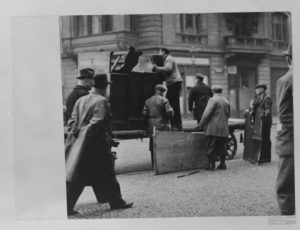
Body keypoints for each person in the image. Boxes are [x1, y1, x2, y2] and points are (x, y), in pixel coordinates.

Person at [65, 74, 133, 215]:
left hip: (81, 146)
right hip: (96, 146)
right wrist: (86, 135)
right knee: (107, 173)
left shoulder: (81, 100)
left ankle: (67, 206)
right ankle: (116, 202)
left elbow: (72, 121)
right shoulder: (101, 101)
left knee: (79, 177)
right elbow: (97, 122)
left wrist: (76, 135)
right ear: (105, 87)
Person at [276, 44, 295, 215]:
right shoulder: (288, 79)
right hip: (290, 140)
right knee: (287, 182)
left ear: (287, 59)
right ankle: (288, 217)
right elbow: (284, 115)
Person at [197, 85, 230, 170]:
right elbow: (228, 115)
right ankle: (223, 164)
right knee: (222, 146)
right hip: (224, 128)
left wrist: (201, 125)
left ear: (213, 91)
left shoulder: (213, 99)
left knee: (211, 146)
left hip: (213, 128)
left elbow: (206, 114)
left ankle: (211, 165)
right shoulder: (226, 101)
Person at [142, 84, 174, 167]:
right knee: (164, 144)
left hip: (151, 124)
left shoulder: (148, 100)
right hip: (163, 124)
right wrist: (172, 113)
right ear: (162, 92)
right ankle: (164, 163)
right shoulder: (164, 100)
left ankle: (154, 164)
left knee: (153, 144)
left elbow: (144, 113)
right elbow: (169, 113)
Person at [152, 47, 183, 130]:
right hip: (173, 82)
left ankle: (177, 125)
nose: (159, 54)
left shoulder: (169, 58)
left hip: (174, 82)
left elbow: (168, 69)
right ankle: (175, 124)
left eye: (159, 52)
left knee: (174, 104)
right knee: (171, 102)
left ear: (163, 52)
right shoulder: (167, 59)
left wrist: (155, 68)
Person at [249, 84, 273, 163]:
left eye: (258, 89)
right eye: (256, 89)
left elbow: (267, 110)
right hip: (258, 121)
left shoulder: (267, 98)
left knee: (265, 138)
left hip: (265, 121)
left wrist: (263, 115)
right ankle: (261, 156)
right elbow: (254, 107)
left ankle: (266, 157)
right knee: (260, 138)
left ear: (263, 89)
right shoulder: (257, 98)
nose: (256, 91)